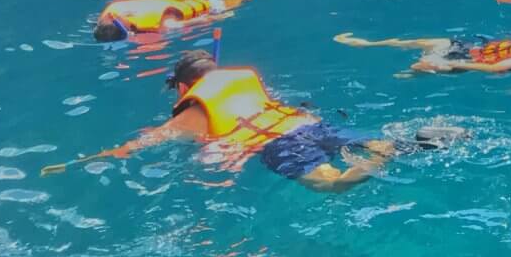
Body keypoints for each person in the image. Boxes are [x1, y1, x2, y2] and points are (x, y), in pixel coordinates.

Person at [94, 49, 398, 190]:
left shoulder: (192, 113)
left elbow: (140, 144)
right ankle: (389, 150)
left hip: (282, 144)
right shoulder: (243, 82)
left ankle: (369, 167)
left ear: (184, 87)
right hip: (307, 123)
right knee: (377, 144)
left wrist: (101, 156)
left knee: (333, 184)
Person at [335, 0, 511, 74]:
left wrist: (449, 65)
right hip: (478, 49)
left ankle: (403, 75)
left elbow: (498, 68)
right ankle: (369, 44)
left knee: (421, 65)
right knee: (433, 42)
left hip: (472, 63)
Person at [93, 0, 260, 42]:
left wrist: (221, 15)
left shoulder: (162, 25)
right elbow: (195, 22)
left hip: (204, 5)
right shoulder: (113, 12)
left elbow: (201, 21)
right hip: (177, 0)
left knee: (228, 4)